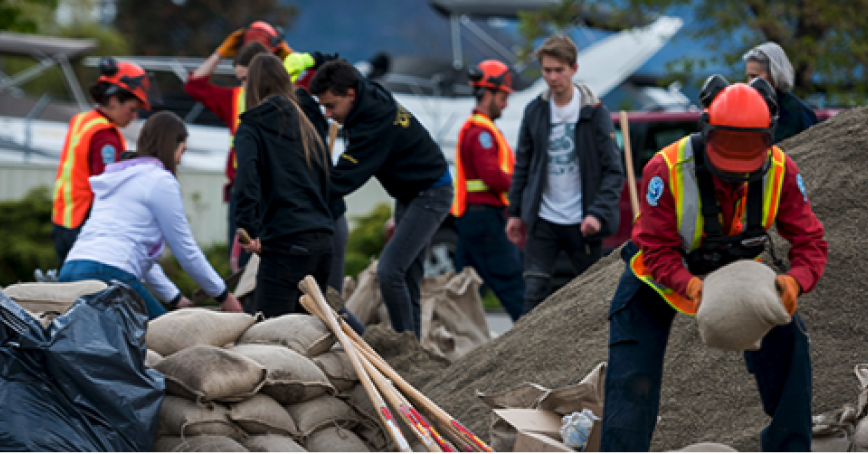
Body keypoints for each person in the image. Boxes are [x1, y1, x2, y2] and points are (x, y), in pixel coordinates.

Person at [599, 77, 828, 452]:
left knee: (791, 346)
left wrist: (796, 281)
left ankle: (790, 446)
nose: (737, 176)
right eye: (727, 168)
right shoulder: (665, 168)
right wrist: (688, 285)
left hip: (738, 277)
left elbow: (810, 241)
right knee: (631, 380)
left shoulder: (781, 171)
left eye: (746, 168)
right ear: (706, 130)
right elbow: (654, 247)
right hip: (659, 280)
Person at [309, 59, 453, 339]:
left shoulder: (373, 124)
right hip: (409, 193)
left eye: (331, 106)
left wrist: (300, 194)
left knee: (389, 272)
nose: (327, 114)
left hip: (431, 193)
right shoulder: (364, 90)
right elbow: (339, 66)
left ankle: (403, 348)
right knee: (408, 275)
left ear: (350, 94)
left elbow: (343, 180)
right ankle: (413, 345)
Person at [58, 111, 244, 318]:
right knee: (164, 338)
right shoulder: (160, 181)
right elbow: (186, 251)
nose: (180, 161)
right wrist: (223, 295)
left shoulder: (118, 177)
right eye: (182, 151)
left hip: (71, 270)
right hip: (108, 274)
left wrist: (176, 299)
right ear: (172, 146)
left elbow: (136, 255)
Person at [505, 36, 624, 316]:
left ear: (574, 69)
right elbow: (523, 164)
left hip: (583, 222)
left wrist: (597, 213)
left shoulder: (594, 112)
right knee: (533, 293)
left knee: (591, 298)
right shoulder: (535, 111)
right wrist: (514, 212)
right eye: (547, 70)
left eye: (559, 70)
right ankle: (525, 357)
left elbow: (613, 171)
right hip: (543, 219)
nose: (553, 77)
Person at [184, 21, 297, 270]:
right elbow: (194, 85)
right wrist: (220, 53)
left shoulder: (290, 97)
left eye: (248, 78)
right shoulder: (233, 98)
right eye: (242, 78)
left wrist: (284, 52)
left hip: (274, 193)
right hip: (243, 191)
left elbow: (314, 80)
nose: (247, 85)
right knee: (241, 264)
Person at [233, 54, 335, 318]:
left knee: (272, 336)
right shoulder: (307, 124)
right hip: (322, 241)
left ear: (252, 85)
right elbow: (326, 179)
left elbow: (245, 176)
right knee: (309, 336)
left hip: (285, 242)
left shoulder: (251, 125)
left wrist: (248, 228)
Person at [50, 57, 153, 265]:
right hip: (84, 225)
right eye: (132, 109)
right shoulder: (106, 135)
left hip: (63, 220)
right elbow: (107, 186)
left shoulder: (82, 120)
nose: (134, 116)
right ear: (114, 100)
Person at [450, 59, 524, 322]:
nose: (506, 103)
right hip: (484, 219)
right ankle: (533, 341)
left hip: (474, 218)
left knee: (465, 286)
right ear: (488, 94)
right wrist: (522, 185)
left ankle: (456, 339)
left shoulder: (480, 129)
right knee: (510, 281)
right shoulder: (481, 133)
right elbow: (492, 176)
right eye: (503, 97)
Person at [743, 41, 818, 143]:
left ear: (775, 74)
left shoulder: (794, 112)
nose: (749, 83)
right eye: (749, 76)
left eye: (755, 76)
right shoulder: (759, 108)